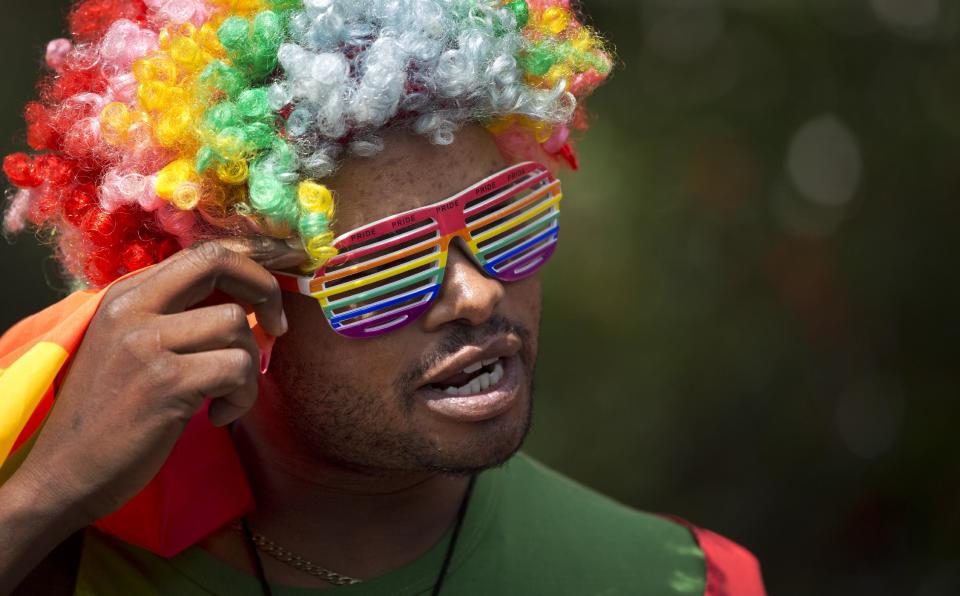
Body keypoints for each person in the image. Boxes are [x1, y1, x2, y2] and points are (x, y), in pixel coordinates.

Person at [0, 1, 765, 594]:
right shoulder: (54, 556)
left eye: (510, 218)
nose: (476, 292)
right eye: (387, 263)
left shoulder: (683, 580)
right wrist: (45, 497)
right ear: (227, 300)